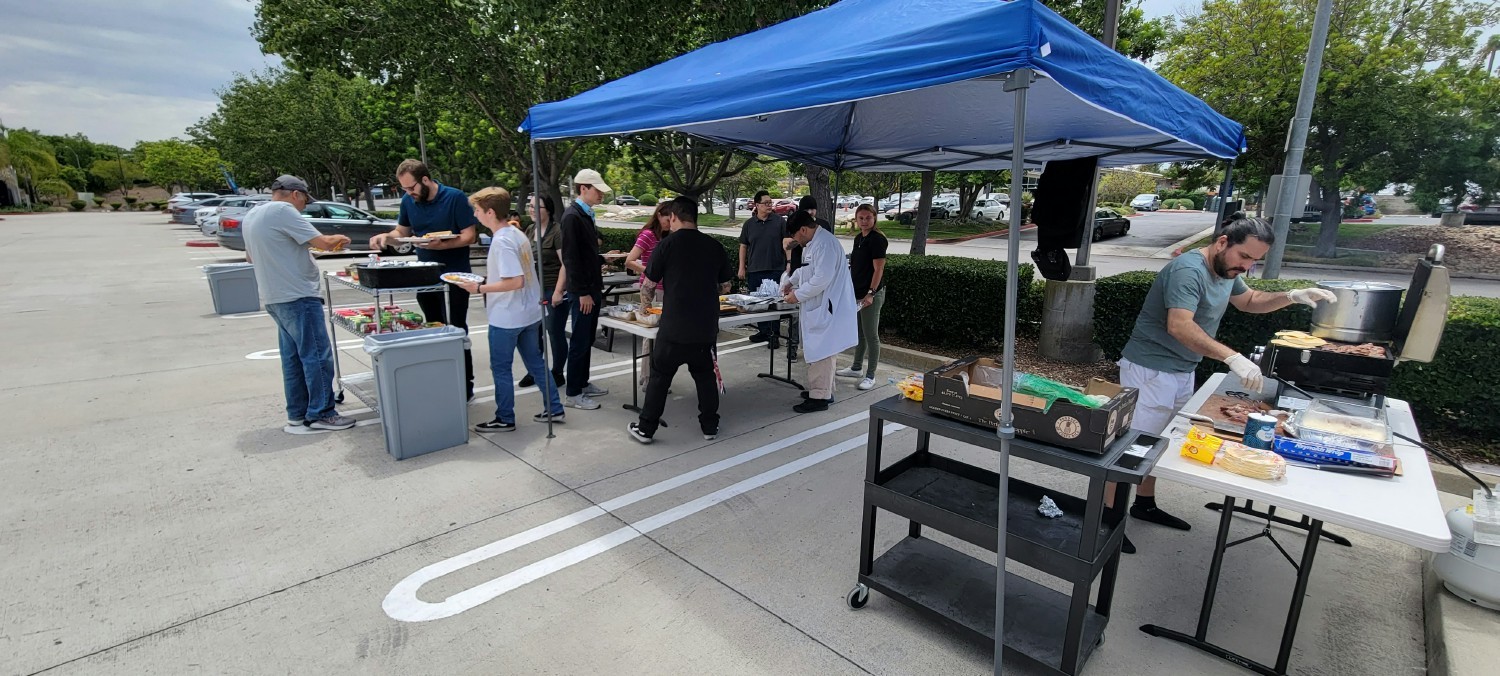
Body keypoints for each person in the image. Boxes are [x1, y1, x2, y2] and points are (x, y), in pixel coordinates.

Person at [1114, 217, 1336, 553]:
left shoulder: (1225, 272)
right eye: (1244, 257)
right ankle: (1108, 520)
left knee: (1157, 442)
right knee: (1131, 447)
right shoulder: (1189, 270)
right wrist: (1232, 357)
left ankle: (1143, 503)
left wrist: (1291, 295)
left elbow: (1249, 301)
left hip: (1181, 369)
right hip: (1150, 369)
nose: (1247, 267)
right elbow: (1179, 326)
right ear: (1222, 243)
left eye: (1254, 261)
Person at [241, 174, 355, 434]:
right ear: (295, 194)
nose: (304, 205)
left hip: (274, 297)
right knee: (317, 356)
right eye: (304, 199)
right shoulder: (283, 210)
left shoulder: (253, 215)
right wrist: (341, 238)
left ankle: (298, 412)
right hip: (298, 296)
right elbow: (324, 243)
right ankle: (323, 413)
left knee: (292, 359)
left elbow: (251, 257)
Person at [368, 159, 479, 400]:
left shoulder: (455, 197)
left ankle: (464, 384)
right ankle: (441, 379)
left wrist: (444, 244)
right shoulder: (409, 201)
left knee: (456, 328)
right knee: (432, 327)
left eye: (412, 188)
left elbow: (470, 236)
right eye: (404, 189)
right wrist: (387, 236)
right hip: (424, 274)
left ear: (426, 180)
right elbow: (403, 233)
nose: (408, 193)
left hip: (455, 274)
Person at [456, 187, 565, 432]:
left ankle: (505, 417)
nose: (475, 215)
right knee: (536, 362)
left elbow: (515, 281)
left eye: (478, 210)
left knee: (502, 368)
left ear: (490, 212)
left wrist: (479, 287)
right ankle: (555, 408)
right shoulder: (517, 234)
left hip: (508, 316)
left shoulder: (502, 240)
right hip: (528, 312)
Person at [628, 197, 733, 444]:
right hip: (704, 327)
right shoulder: (713, 246)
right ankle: (710, 427)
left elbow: (648, 286)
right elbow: (726, 285)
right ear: (694, 217)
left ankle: (646, 429)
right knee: (705, 376)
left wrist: (645, 308)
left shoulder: (666, 246)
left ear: (673, 217)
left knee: (660, 377)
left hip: (674, 327)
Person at [782, 210, 857, 413]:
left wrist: (797, 295)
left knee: (821, 351)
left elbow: (821, 279)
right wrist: (792, 281)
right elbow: (808, 270)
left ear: (804, 230)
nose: (797, 241)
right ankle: (823, 391)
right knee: (821, 350)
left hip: (827, 306)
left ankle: (820, 396)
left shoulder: (824, 244)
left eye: (796, 236)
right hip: (821, 304)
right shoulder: (816, 242)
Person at [558, 168, 612, 410]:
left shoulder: (585, 214)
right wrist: (582, 292)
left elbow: (584, 255)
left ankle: (582, 381)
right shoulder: (572, 216)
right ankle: (573, 393)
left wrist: (602, 259)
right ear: (583, 189)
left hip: (592, 287)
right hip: (584, 290)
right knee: (579, 340)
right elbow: (570, 259)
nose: (601, 194)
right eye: (597, 190)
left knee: (587, 337)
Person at [517, 194, 568, 390]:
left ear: (548, 210)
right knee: (533, 332)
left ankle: (557, 372)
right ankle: (535, 370)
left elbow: (565, 264)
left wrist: (558, 291)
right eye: (530, 206)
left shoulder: (557, 232)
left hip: (551, 288)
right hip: (533, 290)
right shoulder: (530, 230)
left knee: (554, 332)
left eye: (536, 207)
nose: (532, 210)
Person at [836, 204, 887, 391]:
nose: (864, 221)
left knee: (871, 335)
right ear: (856, 220)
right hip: (856, 293)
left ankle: (870, 375)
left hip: (870, 294)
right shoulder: (859, 238)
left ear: (874, 218)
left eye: (868, 218)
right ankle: (856, 367)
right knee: (859, 333)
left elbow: (878, 268)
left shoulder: (877, 240)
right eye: (861, 218)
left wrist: (871, 293)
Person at [626, 204, 672, 391]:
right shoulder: (647, 235)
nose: (670, 223)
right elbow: (629, 260)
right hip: (651, 290)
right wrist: (651, 271)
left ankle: (659, 375)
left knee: (664, 335)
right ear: (659, 215)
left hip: (668, 289)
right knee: (650, 333)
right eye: (667, 219)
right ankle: (647, 377)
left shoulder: (669, 236)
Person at [738, 190, 788, 348]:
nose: (769, 205)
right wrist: (741, 267)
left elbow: (786, 243)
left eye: (770, 202)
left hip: (775, 268)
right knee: (758, 303)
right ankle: (763, 332)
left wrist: (789, 262)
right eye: (766, 203)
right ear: (757, 205)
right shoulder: (749, 224)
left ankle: (774, 335)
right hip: (755, 269)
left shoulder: (779, 222)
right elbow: (743, 246)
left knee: (773, 303)